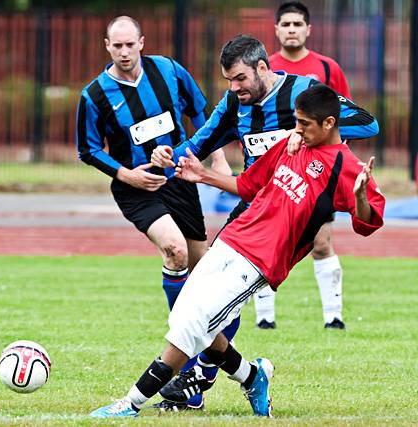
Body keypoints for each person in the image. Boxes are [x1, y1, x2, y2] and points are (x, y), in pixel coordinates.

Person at [89, 83, 385, 418]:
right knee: (186, 316)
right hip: (233, 237)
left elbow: (368, 223)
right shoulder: (291, 145)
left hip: (260, 262)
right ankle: (251, 376)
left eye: (304, 124)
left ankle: (130, 404)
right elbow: (248, 185)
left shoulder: (346, 167)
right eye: (297, 122)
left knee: (191, 326)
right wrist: (202, 175)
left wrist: (359, 195)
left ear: (329, 124)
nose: (296, 129)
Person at [143, 34, 378, 406]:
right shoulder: (233, 105)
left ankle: (196, 378)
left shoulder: (303, 92)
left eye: (239, 79)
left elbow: (367, 124)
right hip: (252, 202)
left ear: (262, 68)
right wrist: (166, 156)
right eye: (228, 81)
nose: (234, 88)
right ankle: (220, 376)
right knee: (209, 289)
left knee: (226, 299)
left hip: (288, 212)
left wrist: (300, 133)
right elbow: (199, 143)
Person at [75, 15, 237, 411]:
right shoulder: (94, 95)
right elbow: (88, 149)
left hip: (180, 178)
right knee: (175, 250)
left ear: (142, 43)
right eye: (118, 46)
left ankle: (207, 370)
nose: (125, 52)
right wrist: (125, 173)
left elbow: (203, 116)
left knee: (209, 272)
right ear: (107, 47)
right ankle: (185, 346)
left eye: (131, 44)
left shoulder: (169, 72)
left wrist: (216, 163)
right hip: (137, 188)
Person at [250, 1, 355, 330]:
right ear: (276, 29)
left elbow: (346, 115)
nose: (292, 29)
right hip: (273, 169)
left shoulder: (327, 68)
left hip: (317, 173)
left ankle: (333, 318)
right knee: (266, 241)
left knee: (321, 242)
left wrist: (337, 152)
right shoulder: (264, 67)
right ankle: (265, 320)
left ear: (308, 29)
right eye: (286, 24)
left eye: (298, 24)